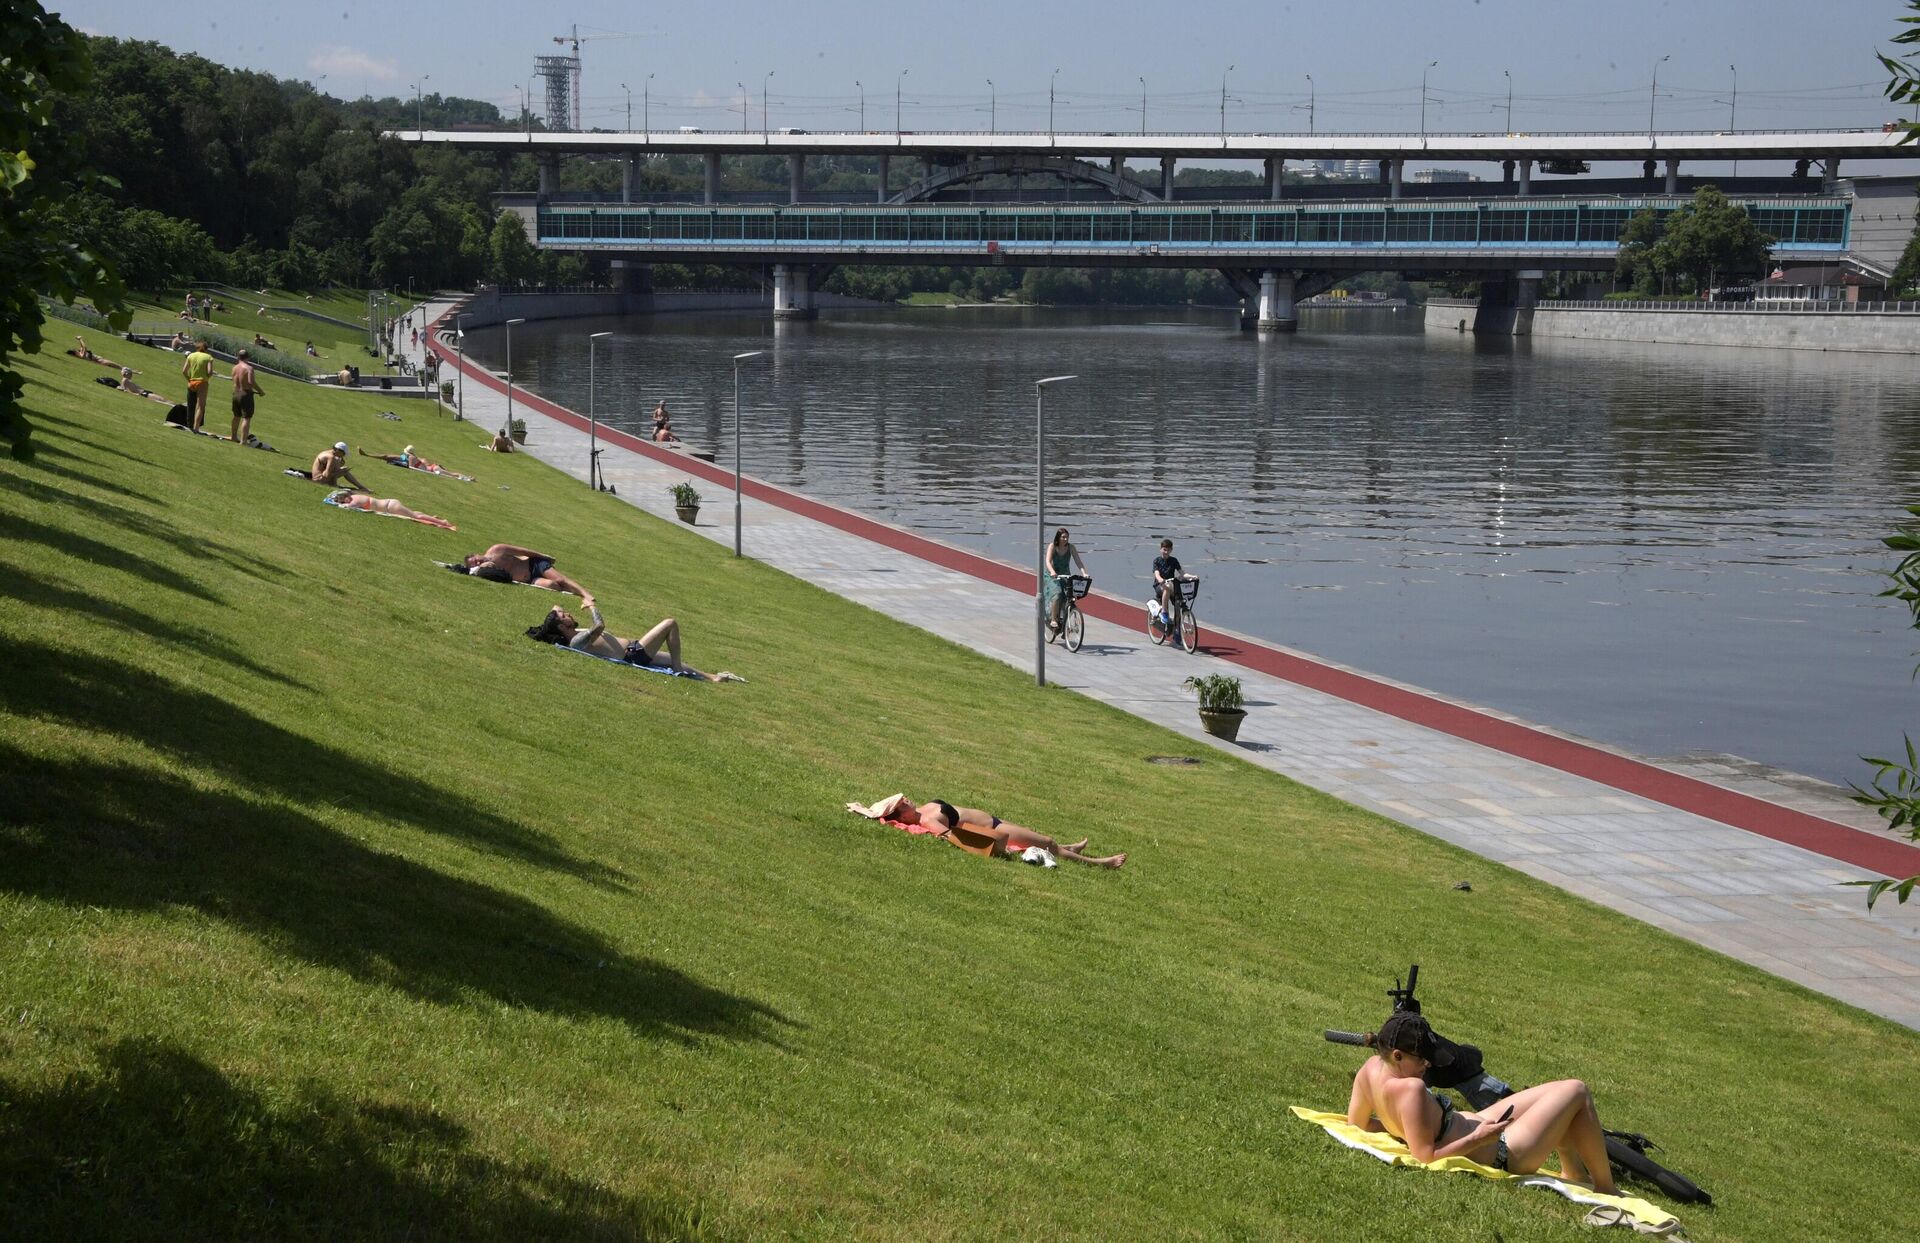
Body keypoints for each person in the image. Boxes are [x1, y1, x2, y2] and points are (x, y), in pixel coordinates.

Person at [1344, 1012, 1617, 1193]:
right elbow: (1425, 1157)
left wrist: (1402, 1128)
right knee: (1576, 1090)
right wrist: (1479, 1138)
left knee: (1558, 1094)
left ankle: (1574, 1171)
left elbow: (1358, 1124)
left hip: (1474, 1123)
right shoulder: (1411, 1088)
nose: (1427, 1065)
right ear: (1398, 1055)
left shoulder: (1369, 1071)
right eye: (1422, 1059)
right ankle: (1605, 1188)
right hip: (1503, 1153)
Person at [526, 604, 745, 683]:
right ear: (562, 628)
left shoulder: (572, 632)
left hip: (634, 649)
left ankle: (711, 677)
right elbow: (600, 626)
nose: (568, 613)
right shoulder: (576, 640)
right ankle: (679, 670)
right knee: (670, 623)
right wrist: (591, 605)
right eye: (564, 616)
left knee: (670, 658)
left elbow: (555, 608)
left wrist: (553, 619)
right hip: (634, 654)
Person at [880, 798, 1124, 868]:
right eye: (901, 805)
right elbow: (949, 836)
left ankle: (1069, 848)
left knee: (1037, 836)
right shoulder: (929, 821)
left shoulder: (923, 810)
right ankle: (1101, 863)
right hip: (992, 829)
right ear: (901, 817)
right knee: (1048, 842)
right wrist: (991, 845)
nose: (905, 800)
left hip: (993, 820)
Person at [460, 543, 590, 597]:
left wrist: (544, 557)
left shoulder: (497, 550)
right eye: (475, 564)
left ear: (476, 554)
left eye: (476, 559)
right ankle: (574, 592)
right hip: (531, 579)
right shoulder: (485, 571)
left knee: (560, 579)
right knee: (552, 585)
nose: (478, 562)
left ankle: (585, 594)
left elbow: (523, 551)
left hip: (534, 565)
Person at [325, 489, 455, 530]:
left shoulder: (355, 499)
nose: (342, 502)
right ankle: (435, 519)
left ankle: (443, 522)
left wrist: (337, 504)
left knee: (416, 517)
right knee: (415, 513)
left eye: (342, 499)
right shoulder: (354, 498)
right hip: (391, 505)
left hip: (391, 507)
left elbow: (348, 508)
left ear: (346, 497)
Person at [1042, 527, 1091, 638]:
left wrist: (1084, 573)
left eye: (1067, 537)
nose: (1065, 539)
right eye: (1063, 537)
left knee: (1069, 596)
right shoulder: (1052, 546)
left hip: (1065, 576)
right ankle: (1053, 619)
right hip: (1052, 576)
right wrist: (1052, 572)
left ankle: (1065, 623)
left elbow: (1078, 562)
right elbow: (1048, 561)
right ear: (1058, 537)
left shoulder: (1071, 547)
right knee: (1058, 594)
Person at [1151, 538, 1194, 626]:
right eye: (1164, 549)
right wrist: (1160, 579)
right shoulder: (1157, 561)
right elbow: (1156, 574)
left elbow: (1182, 573)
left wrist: (1192, 577)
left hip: (1171, 585)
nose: (1166, 552)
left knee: (1178, 601)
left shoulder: (1174, 560)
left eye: (1168, 550)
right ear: (1161, 549)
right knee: (1167, 587)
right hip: (1160, 585)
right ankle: (1164, 612)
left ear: (1171, 550)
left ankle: (1177, 631)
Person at [180, 339, 217, 432]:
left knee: (190, 405)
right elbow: (209, 372)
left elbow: (184, 371)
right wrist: (208, 377)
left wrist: (189, 379)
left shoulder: (191, 356)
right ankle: (196, 428)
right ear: (206, 349)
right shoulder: (208, 357)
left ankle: (189, 425)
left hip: (191, 382)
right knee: (200, 406)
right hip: (202, 383)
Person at [229, 348, 264, 443]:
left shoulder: (234, 368)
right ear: (247, 357)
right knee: (246, 418)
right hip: (245, 394)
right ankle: (243, 441)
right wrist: (261, 391)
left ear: (238, 357)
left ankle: (233, 436)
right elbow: (251, 382)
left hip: (236, 393)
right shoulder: (249, 368)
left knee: (236, 416)